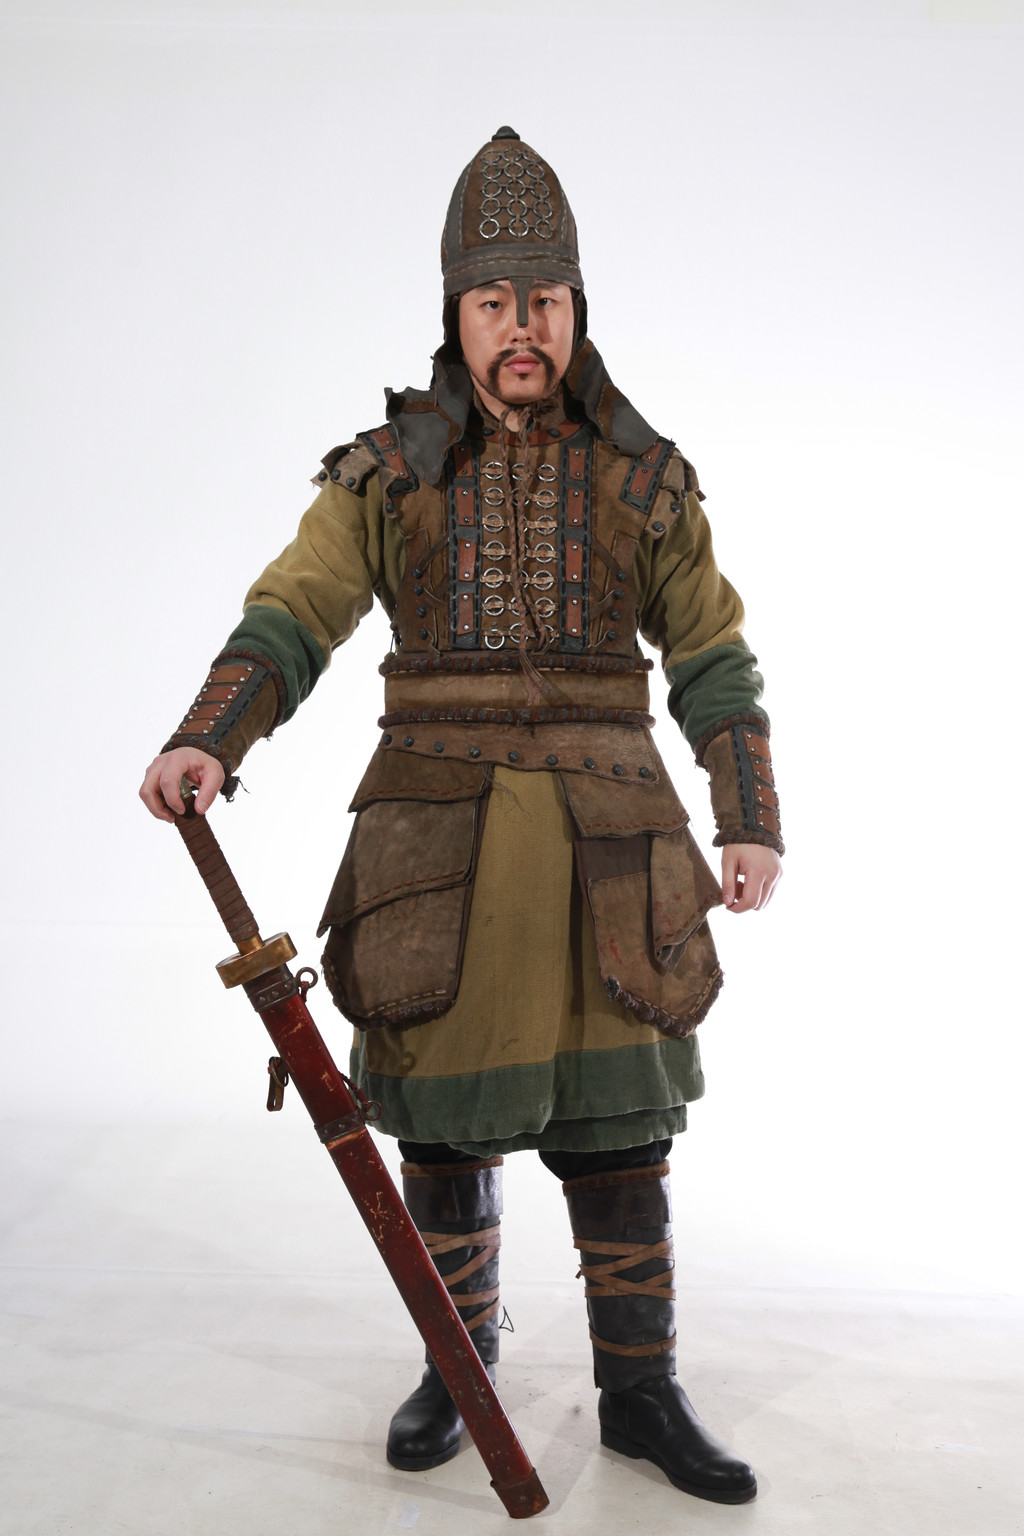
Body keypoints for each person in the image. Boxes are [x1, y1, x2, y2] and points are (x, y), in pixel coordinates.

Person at [140, 127, 783, 1504]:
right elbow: (296, 611)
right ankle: (460, 1361)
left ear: (576, 308)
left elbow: (713, 653)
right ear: (456, 314)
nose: (521, 328)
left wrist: (749, 815)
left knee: (625, 1132)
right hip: (439, 843)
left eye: (543, 300)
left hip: (616, 844)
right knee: (440, 1127)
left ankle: (641, 1391)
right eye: (494, 302)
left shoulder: (645, 479)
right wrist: (208, 735)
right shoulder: (387, 474)